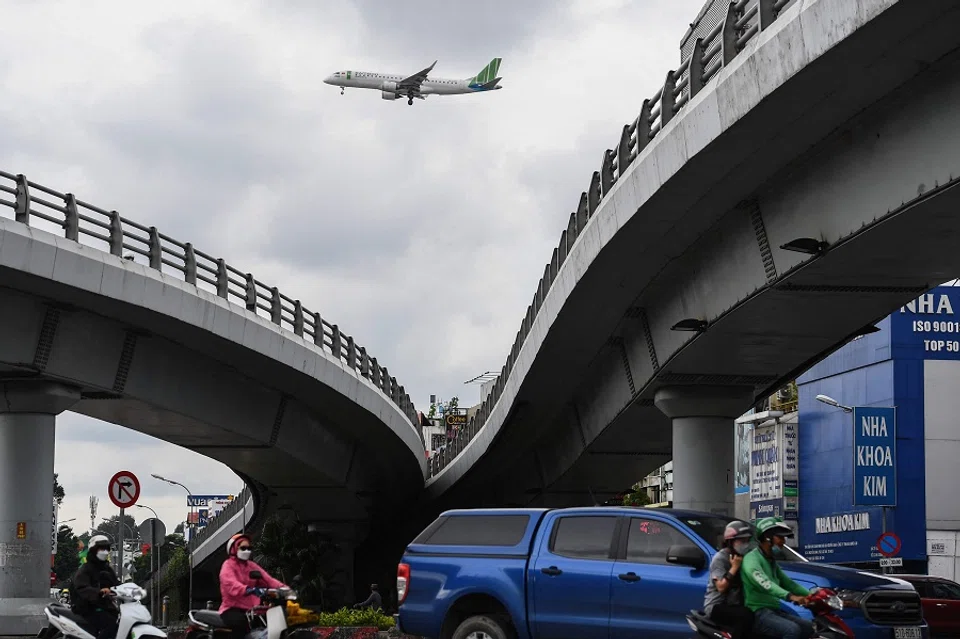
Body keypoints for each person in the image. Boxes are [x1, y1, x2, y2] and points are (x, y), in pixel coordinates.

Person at [742, 517, 815, 639]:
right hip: (758, 612)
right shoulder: (752, 559)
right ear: (767, 538)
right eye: (780, 537)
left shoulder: (770, 561)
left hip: (774, 610)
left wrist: (813, 596)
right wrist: (790, 596)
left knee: (808, 627)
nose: (783, 542)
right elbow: (765, 584)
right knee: (792, 630)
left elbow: (789, 584)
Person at [218, 533, 289, 639]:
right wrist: (250, 590)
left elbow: (269, 580)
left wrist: (286, 589)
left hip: (252, 610)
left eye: (249, 548)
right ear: (234, 549)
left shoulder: (251, 566)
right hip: (232, 609)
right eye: (243, 548)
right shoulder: (228, 566)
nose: (247, 551)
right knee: (241, 624)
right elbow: (231, 584)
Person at [703, 521, 755, 639]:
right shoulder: (720, 559)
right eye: (742, 541)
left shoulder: (744, 556)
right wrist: (734, 567)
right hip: (717, 605)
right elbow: (721, 587)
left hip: (736, 603)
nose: (745, 544)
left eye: (747, 541)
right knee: (745, 616)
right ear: (730, 542)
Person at [71, 535, 120, 639]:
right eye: (101, 548)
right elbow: (82, 588)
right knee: (111, 624)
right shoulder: (85, 569)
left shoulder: (107, 569)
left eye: (106, 548)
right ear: (93, 550)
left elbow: (117, 584)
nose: (104, 551)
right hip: (88, 609)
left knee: (120, 621)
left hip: (105, 607)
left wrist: (132, 589)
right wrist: (99, 592)